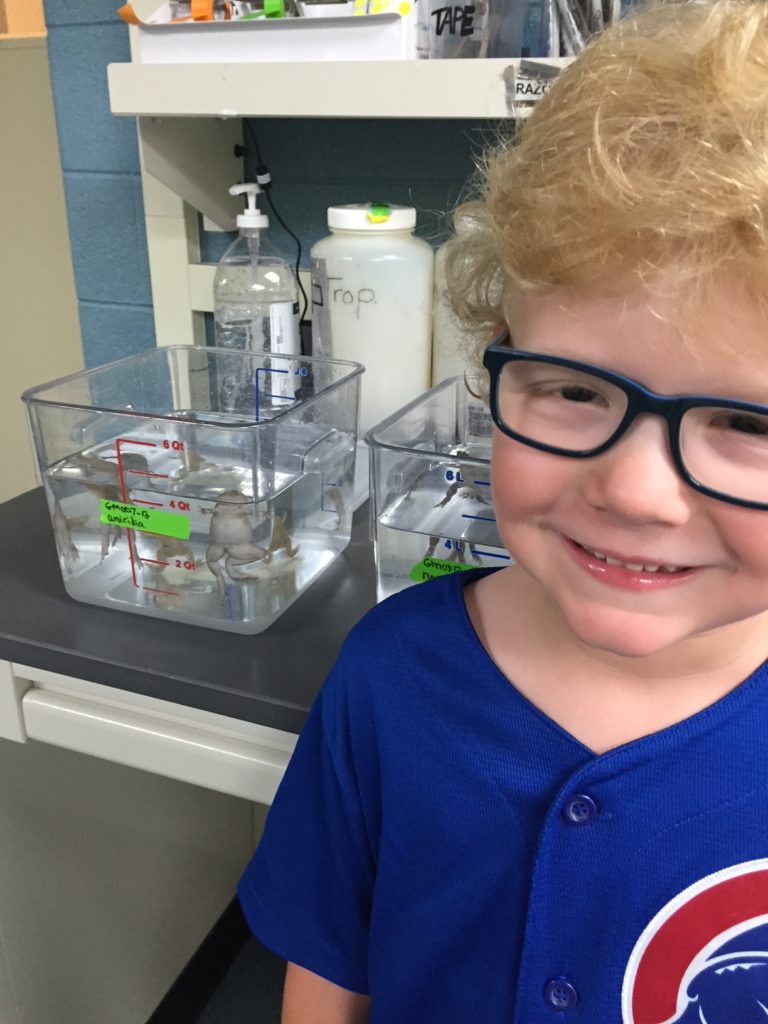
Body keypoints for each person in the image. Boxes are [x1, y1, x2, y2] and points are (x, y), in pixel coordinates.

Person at [238, 1, 768, 1019]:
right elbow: (327, 984)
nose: (633, 490)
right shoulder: (388, 681)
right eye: (571, 390)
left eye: (749, 422)